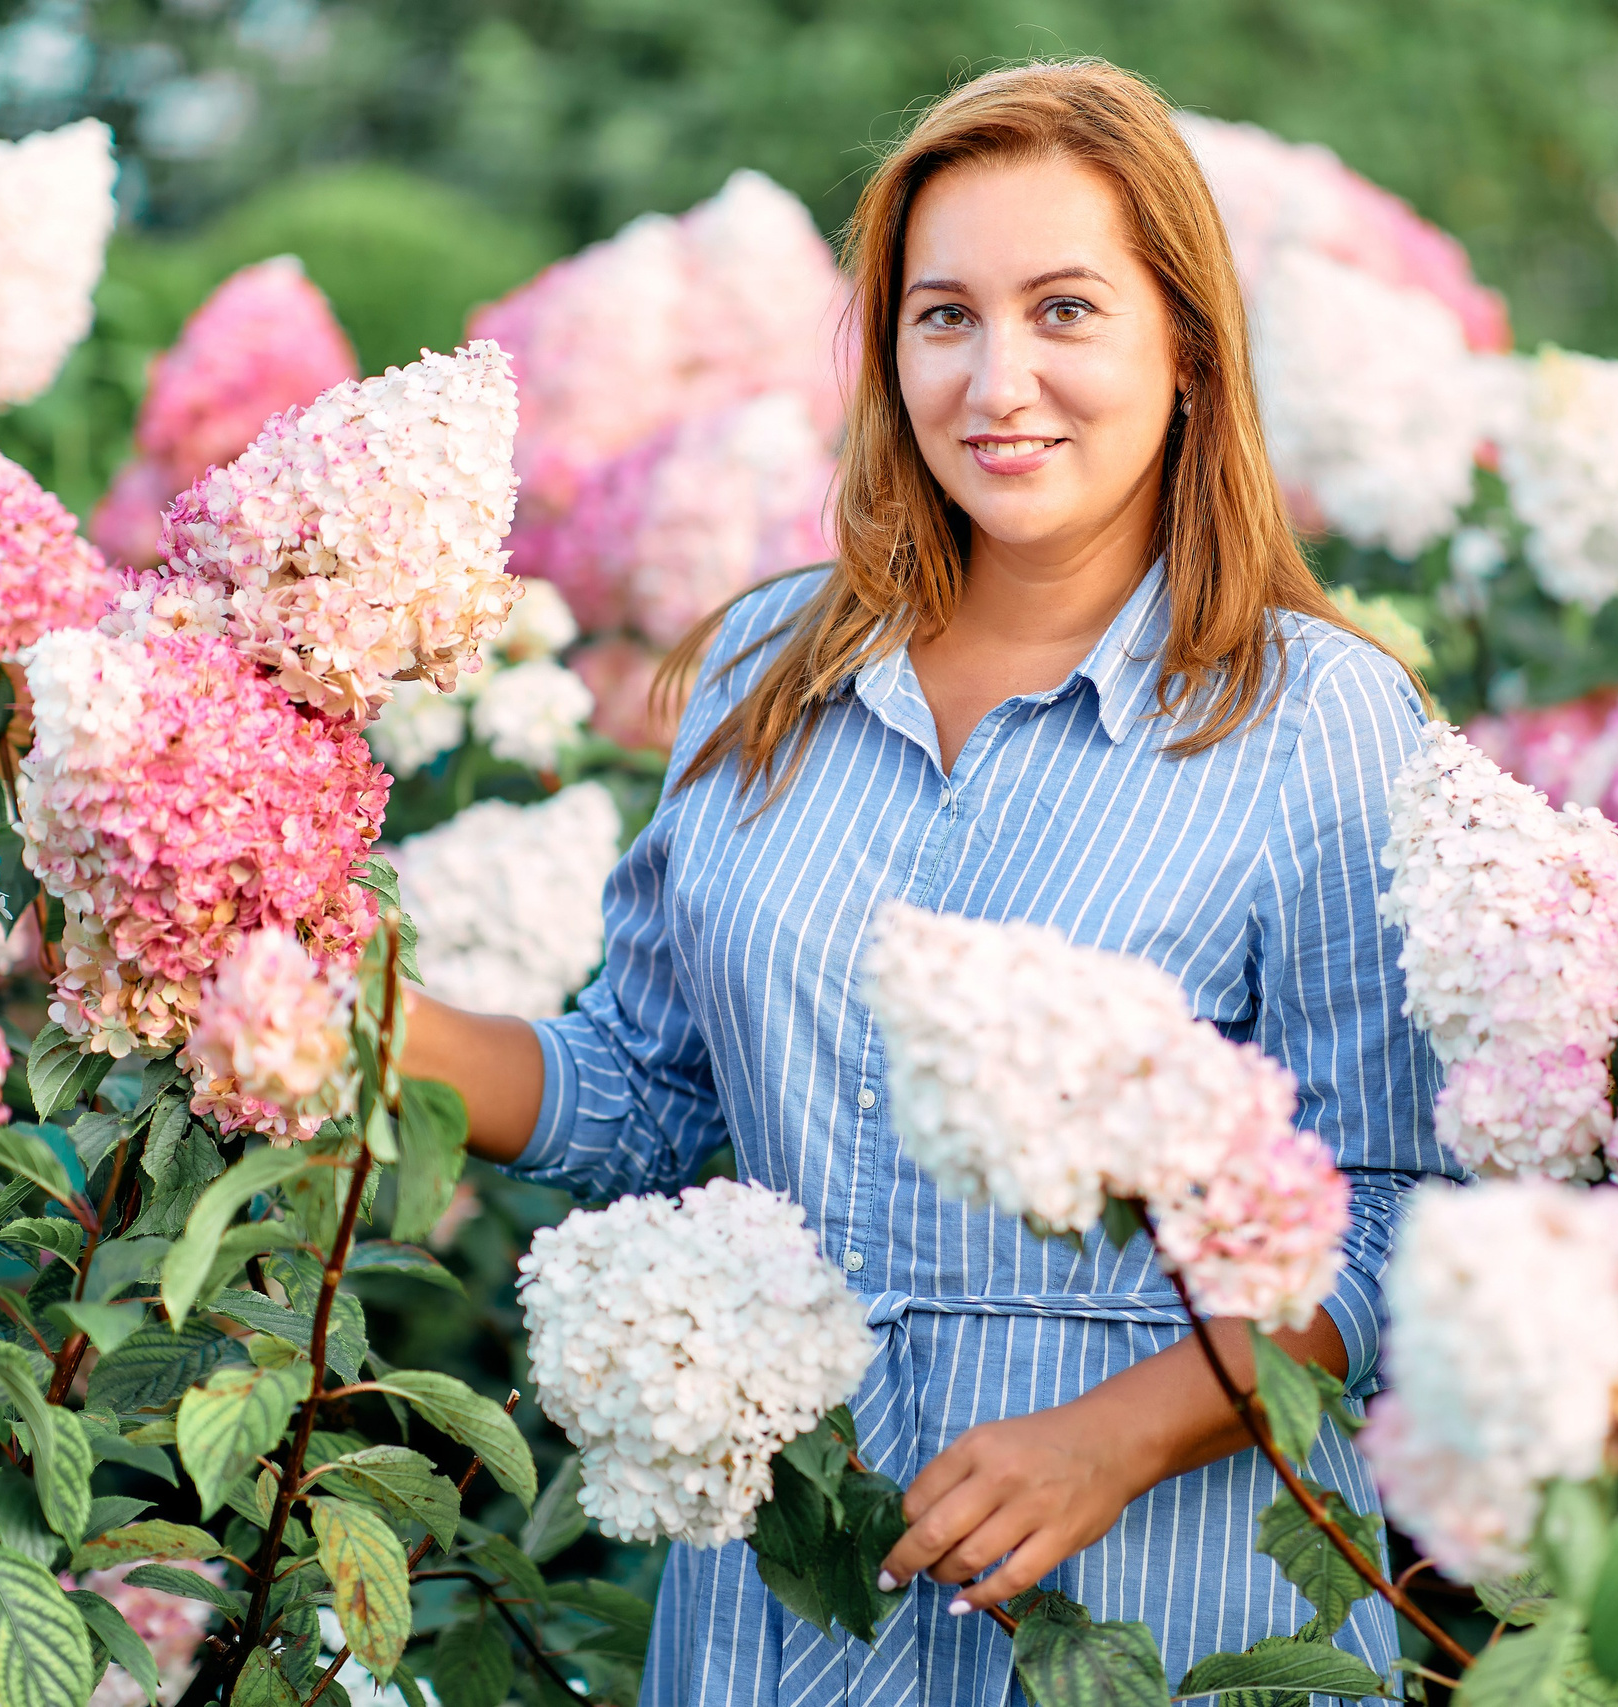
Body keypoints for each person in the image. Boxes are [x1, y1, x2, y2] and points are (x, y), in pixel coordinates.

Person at [404, 57, 1447, 1707]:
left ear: (1186, 345)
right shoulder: (765, 667)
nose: (997, 379)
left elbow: (1392, 1213)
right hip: (789, 1598)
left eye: (1065, 310)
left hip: (1161, 1608)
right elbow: (649, 1096)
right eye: (945, 315)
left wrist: (1117, 1435)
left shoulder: (1315, 717)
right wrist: (361, 1023)